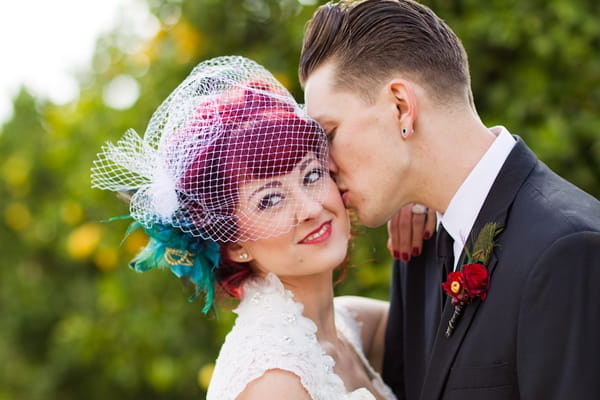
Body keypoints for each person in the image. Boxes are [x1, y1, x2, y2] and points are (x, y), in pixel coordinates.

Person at [299, 1, 600, 399]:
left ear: (401, 107)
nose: (326, 166)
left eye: (330, 133)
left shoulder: (568, 251)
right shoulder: (419, 244)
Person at [92, 55, 398, 400]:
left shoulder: (348, 325)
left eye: (311, 175)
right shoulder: (272, 381)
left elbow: (449, 327)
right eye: (270, 200)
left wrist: (417, 201)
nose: (311, 208)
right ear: (234, 243)